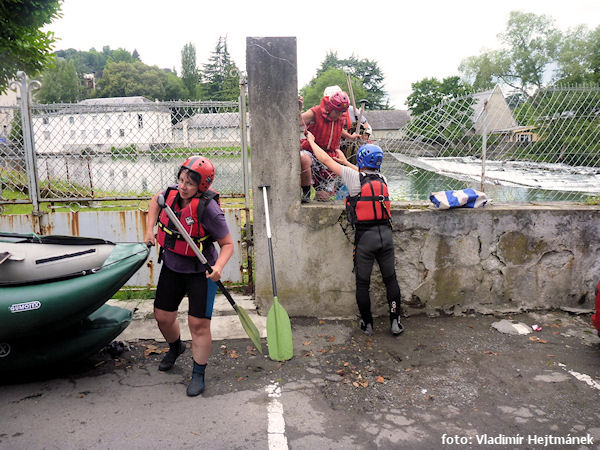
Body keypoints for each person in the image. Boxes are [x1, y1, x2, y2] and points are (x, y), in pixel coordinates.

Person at [144, 156, 234, 396]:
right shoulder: (171, 195)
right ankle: (176, 348)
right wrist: (149, 230)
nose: (183, 186)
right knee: (162, 316)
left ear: (202, 186)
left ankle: (198, 373)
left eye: (190, 183)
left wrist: (219, 267)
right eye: (181, 180)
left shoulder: (209, 209)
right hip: (173, 266)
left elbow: (228, 244)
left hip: (201, 272)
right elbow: (155, 202)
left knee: (198, 324)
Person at [305, 131, 404, 336]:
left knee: (363, 283)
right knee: (390, 280)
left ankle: (367, 324)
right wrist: (345, 161)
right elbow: (362, 174)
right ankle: (395, 320)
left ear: (361, 160)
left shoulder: (354, 178)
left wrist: (312, 142)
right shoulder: (383, 179)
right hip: (386, 236)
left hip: (365, 239)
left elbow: (324, 159)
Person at [299, 90, 360, 202]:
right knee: (303, 158)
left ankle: (318, 202)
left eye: (342, 112)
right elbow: (298, 121)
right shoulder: (315, 112)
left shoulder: (340, 117)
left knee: (323, 197)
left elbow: (339, 129)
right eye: (337, 112)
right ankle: (306, 192)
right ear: (329, 107)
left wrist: (350, 137)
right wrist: (299, 109)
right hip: (312, 150)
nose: (340, 115)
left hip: (329, 155)